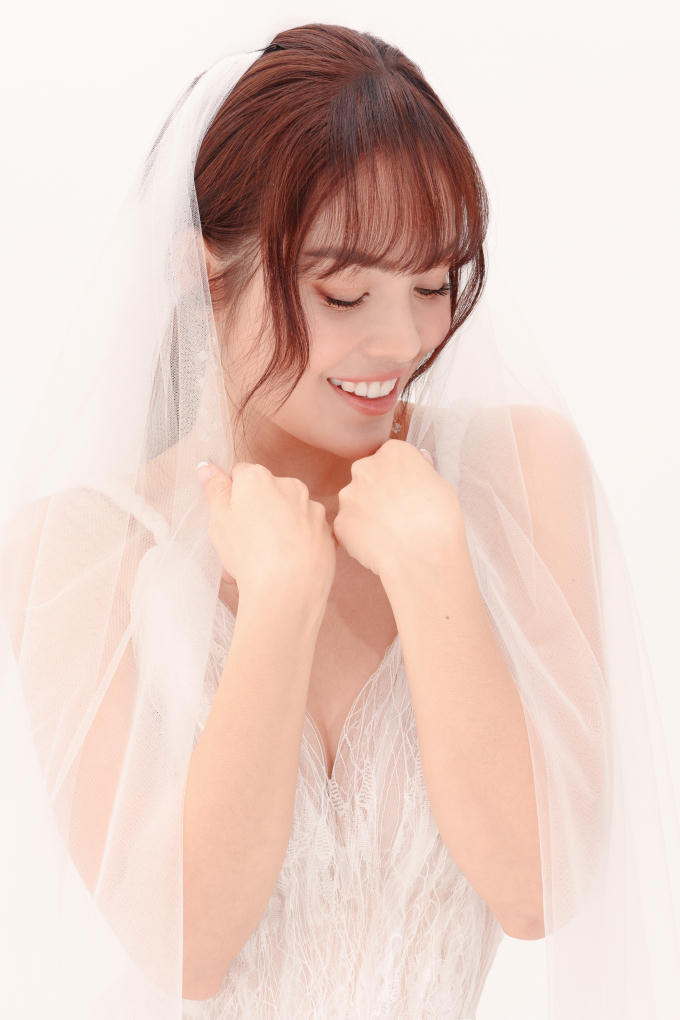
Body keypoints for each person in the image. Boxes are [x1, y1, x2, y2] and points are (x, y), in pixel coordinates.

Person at [0, 23, 678, 1019]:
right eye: (345, 292)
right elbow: (185, 948)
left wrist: (435, 567)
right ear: (205, 270)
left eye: (433, 284)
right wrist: (278, 606)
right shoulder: (78, 550)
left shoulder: (517, 472)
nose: (401, 340)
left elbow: (539, 891)